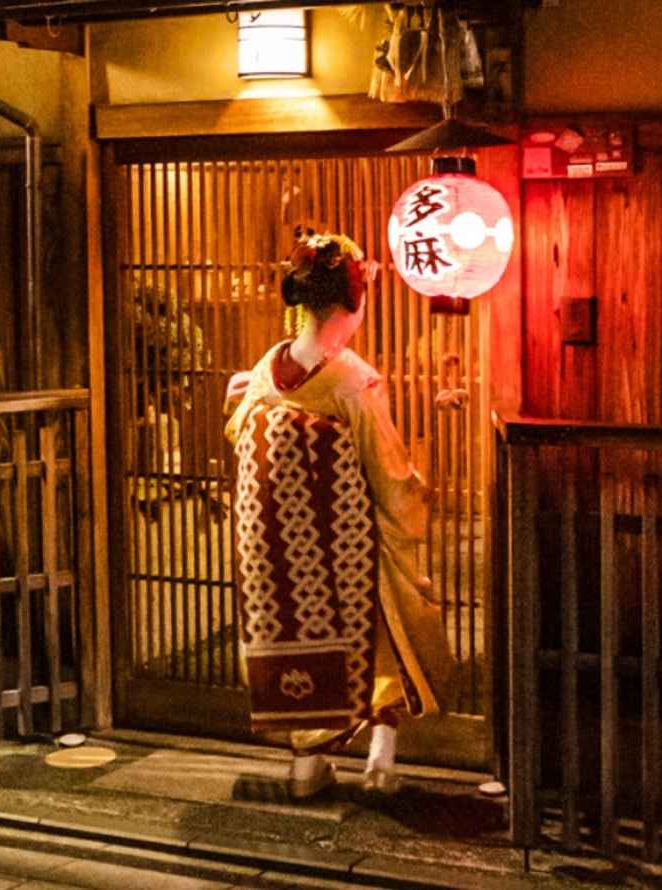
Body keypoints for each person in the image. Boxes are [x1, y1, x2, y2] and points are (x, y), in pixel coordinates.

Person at [224, 229, 453, 799]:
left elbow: (238, 434)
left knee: (294, 636)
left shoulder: (264, 370)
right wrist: (420, 494)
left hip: (275, 558)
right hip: (344, 552)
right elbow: (388, 475)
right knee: (386, 627)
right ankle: (382, 758)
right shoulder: (352, 379)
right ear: (353, 302)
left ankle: (306, 764)